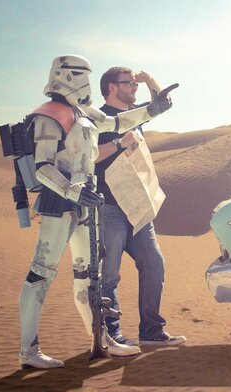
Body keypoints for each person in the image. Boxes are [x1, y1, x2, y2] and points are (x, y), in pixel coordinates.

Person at [18, 55, 175, 369]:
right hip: (60, 203)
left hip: (88, 203)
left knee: (88, 278)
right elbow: (43, 169)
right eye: (78, 75)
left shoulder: (86, 113)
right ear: (62, 76)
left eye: (86, 75)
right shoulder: (48, 116)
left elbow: (119, 122)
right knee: (41, 275)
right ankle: (29, 351)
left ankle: (104, 339)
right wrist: (74, 191)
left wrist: (152, 109)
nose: (84, 81)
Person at [95, 67, 186, 346]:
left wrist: (149, 81)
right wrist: (120, 143)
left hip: (138, 208)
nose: (134, 89)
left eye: (135, 84)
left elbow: (162, 104)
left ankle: (151, 332)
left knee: (154, 264)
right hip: (109, 208)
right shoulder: (97, 118)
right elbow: (89, 157)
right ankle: (111, 335)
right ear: (112, 87)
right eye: (129, 84)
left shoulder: (135, 117)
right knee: (109, 276)